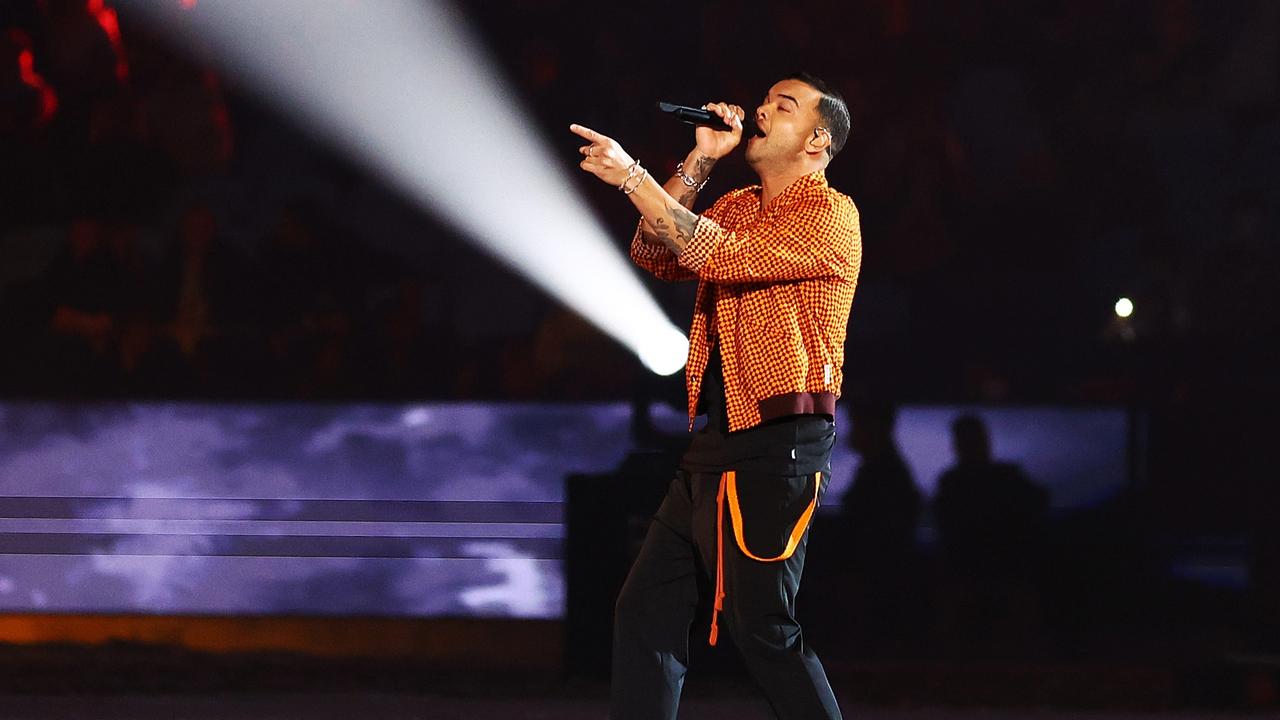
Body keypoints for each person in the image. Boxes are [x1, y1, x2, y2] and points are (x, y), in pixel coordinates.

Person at [571, 72, 860, 720]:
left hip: (778, 448)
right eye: (764, 102)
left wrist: (631, 176)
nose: (760, 111)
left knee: (763, 629)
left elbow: (719, 255)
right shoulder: (734, 204)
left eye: (781, 108)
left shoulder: (831, 215)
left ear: (816, 140)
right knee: (645, 609)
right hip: (714, 443)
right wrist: (699, 159)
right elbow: (654, 249)